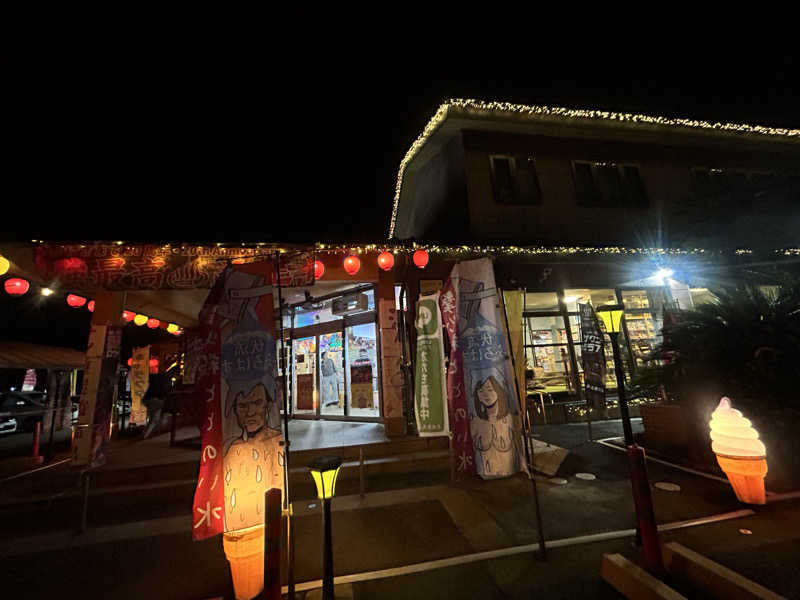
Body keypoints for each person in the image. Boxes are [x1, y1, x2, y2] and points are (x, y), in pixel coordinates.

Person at [142, 371, 170, 438]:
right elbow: (164, 391)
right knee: (154, 419)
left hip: (148, 398)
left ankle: (145, 434)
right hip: (157, 400)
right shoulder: (164, 380)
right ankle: (146, 434)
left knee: (152, 418)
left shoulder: (153, 377)